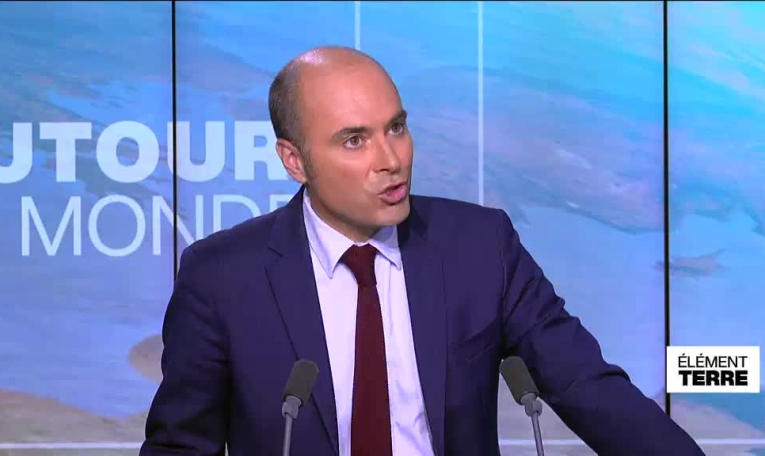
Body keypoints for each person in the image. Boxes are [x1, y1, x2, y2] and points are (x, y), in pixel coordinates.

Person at [140, 46, 704, 456]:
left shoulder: (480, 247)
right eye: (355, 140)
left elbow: (586, 384)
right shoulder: (222, 278)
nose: (391, 160)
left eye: (397, 128)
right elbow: (179, 447)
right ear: (294, 160)